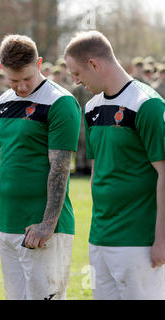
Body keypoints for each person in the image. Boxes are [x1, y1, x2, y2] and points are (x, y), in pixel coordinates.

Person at [64, 30, 165, 299]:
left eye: (77, 73)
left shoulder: (148, 104)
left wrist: (162, 239)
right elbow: (99, 170)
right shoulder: (92, 107)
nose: (75, 81)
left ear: (94, 64)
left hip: (138, 239)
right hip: (100, 236)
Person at [0, 34, 80, 300]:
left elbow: (61, 168)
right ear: (1, 69)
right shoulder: (1, 103)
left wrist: (47, 223)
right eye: (13, 80)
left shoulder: (59, 102)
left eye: (26, 79)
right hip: (8, 223)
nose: (20, 87)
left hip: (43, 227)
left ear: (39, 63)